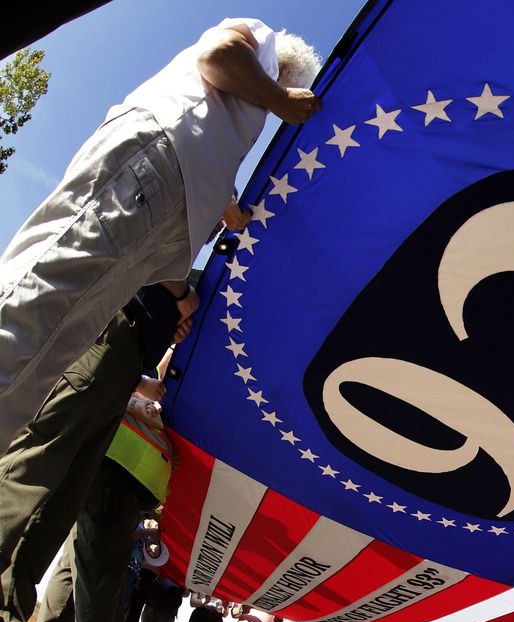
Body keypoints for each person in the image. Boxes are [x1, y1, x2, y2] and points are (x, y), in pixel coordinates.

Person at [0, 19, 322, 449]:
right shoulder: (256, 41)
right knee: (45, 295)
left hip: (163, 200)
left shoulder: (237, 113)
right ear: (284, 71)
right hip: (153, 161)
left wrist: (225, 205)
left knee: (58, 342)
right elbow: (219, 55)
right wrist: (279, 98)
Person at [0, 290, 182, 622]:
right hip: (111, 343)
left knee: (58, 519)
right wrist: (182, 297)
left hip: (125, 364)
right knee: (36, 489)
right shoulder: (180, 256)